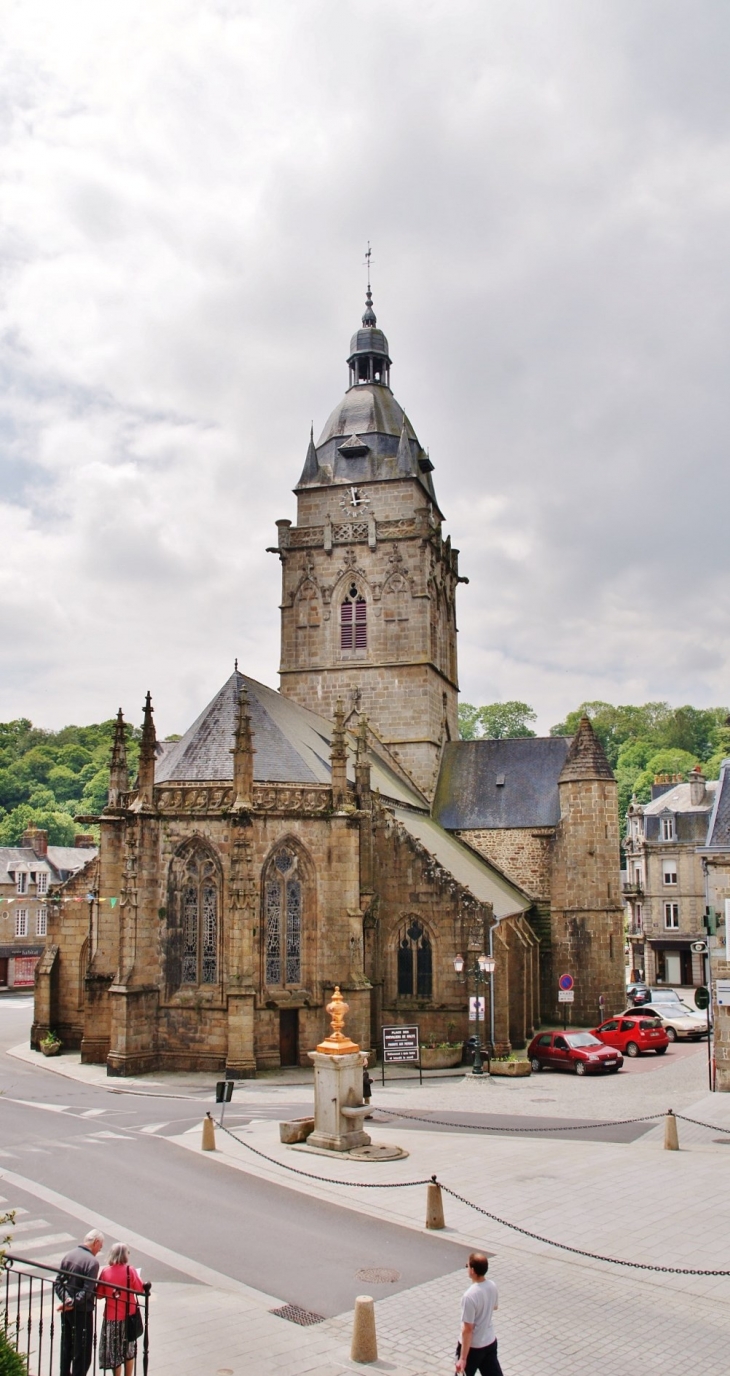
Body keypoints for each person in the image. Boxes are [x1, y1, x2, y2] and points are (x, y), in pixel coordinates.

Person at [56, 1230, 104, 1376]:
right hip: (82, 1312)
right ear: (96, 1242)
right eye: (100, 1247)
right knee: (82, 1352)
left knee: (67, 1345)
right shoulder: (92, 1262)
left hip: (67, 1311)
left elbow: (58, 1283)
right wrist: (72, 1303)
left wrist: (67, 1301)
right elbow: (87, 1291)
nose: (99, 1250)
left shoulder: (69, 1255)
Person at [96, 1243, 144, 1376]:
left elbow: (99, 1295)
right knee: (129, 1351)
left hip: (112, 1317)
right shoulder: (130, 1270)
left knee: (114, 1352)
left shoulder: (106, 1272)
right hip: (129, 1317)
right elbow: (140, 1289)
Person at [455, 1252, 502, 1376]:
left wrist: (463, 1358)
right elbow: (494, 1307)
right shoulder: (492, 1286)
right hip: (489, 1341)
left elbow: (468, 1329)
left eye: (468, 1266)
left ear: (473, 1271)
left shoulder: (469, 1296)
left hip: (473, 1347)